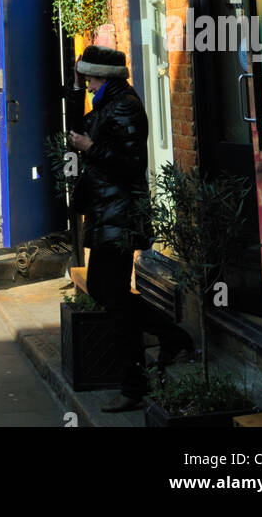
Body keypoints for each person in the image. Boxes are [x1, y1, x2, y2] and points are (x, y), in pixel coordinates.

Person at [67, 45, 192, 412]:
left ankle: (135, 384)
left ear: (105, 77)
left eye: (89, 77)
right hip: (109, 213)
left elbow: (131, 163)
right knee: (108, 292)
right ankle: (172, 338)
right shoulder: (109, 101)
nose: (87, 84)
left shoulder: (124, 105)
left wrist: (89, 147)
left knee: (113, 295)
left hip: (120, 215)